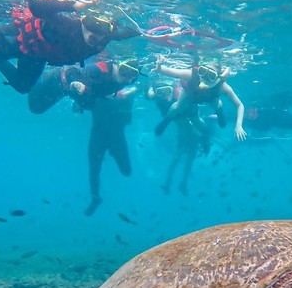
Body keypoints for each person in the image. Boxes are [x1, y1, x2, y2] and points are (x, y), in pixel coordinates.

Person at [0, 0, 140, 94]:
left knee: (23, 86)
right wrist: (76, 4)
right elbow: (35, 6)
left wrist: (145, 34)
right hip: (12, 39)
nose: (94, 35)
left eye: (102, 32)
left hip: (35, 55)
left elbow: (129, 33)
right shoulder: (67, 24)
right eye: (90, 26)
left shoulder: (108, 35)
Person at [153, 55, 247, 141]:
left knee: (217, 105)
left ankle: (220, 113)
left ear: (218, 78)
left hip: (209, 96)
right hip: (190, 93)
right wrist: (160, 68)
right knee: (178, 107)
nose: (204, 77)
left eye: (211, 76)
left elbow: (240, 105)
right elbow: (171, 72)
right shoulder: (192, 75)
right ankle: (167, 120)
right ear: (198, 69)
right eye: (202, 71)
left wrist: (239, 125)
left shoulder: (222, 87)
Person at [147, 80, 212, 196]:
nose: (165, 96)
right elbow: (150, 95)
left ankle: (181, 183)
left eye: (167, 91)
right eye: (161, 92)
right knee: (179, 158)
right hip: (184, 127)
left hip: (188, 127)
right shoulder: (160, 100)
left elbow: (197, 122)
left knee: (186, 158)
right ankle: (171, 182)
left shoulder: (184, 101)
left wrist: (205, 139)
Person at [84, 86, 137, 216]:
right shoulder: (96, 94)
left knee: (127, 171)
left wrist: (125, 95)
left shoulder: (123, 97)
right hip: (100, 138)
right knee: (94, 169)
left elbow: (137, 88)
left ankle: (113, 153)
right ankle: (95, 198)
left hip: (114, 138)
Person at [27, 58, 140, 114]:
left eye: (131, 75)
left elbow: (100, 95)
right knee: (35, 106)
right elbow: (73, 73)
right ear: (116, 65)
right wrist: (81, 86)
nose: (125, 77)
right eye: (124, 70)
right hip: (57, 80)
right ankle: (33, 69)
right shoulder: (100, 69)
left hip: (70, 92)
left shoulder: (122, 82)